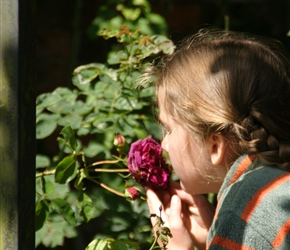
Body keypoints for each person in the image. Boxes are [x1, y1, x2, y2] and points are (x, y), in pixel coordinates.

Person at [145, 28, 290, 250]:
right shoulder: (272, 187)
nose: (163, 144)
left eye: (169, 129)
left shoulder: (245, 208)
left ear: (215, 145)